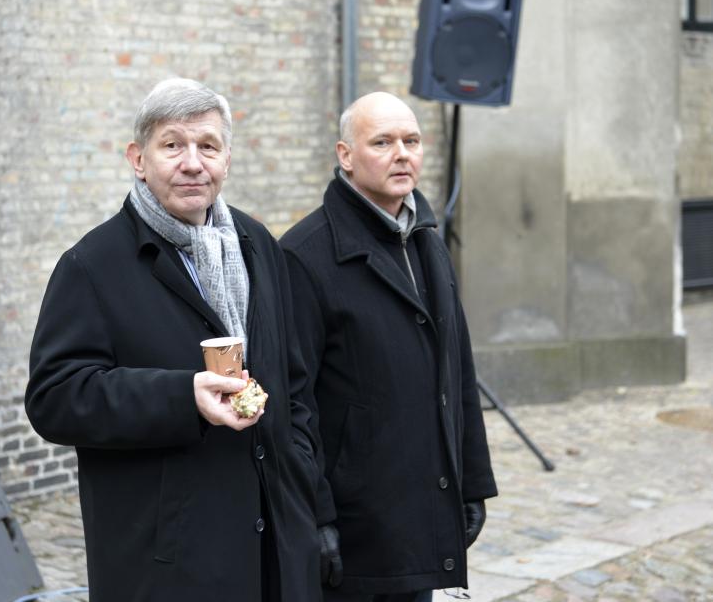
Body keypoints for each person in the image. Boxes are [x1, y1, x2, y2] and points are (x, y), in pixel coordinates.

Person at [25, 78, 321, 602]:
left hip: (274, 545)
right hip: (168, 559)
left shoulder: (258, 246)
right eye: (172, 145)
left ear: (227, 159)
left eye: (207, 145)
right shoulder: (92, 266)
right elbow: (55, 399)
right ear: (139, 159)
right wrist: (183, 397)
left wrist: (299, 471)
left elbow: (295, 380)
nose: (192, 162)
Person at [280, 91, 498, 601]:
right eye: (382, 141)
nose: (402, 153)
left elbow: (457, 370)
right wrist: (316, 513)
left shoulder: (428, 242)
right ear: (346, 155)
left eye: (412, 141)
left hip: (422, 505)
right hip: (357, 519)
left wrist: (472, 481)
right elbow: (294, 401)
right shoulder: (304, 257)